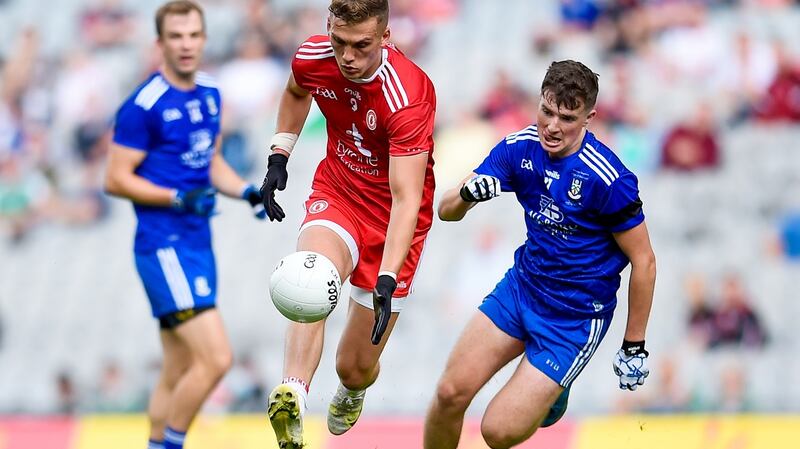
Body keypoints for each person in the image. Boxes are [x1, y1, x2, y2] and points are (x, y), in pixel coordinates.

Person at [423, 60, 657, 449]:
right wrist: (466, 195)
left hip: (574, 319)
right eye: (547, 111)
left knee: (497, 432)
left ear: (589, 118)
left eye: (567, 118)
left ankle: (554, 387)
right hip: (522, 290)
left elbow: (644, 261)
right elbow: (446, 211)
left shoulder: (608, 179)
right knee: (449, 393)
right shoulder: (519, 148)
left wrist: (634, 345)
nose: (552, 126)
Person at [258, 0, 436, 447]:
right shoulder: (314, 56)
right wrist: (280, 154)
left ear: (386, 37)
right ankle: (293, 395)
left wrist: (389, 274)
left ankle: (353, 390)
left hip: (393, 219)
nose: (347, 56)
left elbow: (406, 198)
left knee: (353, 366)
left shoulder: (408, 94)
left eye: (361, 45)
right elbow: (296, 91)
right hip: (338, 192)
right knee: (309, 278)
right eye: (339, 42)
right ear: (328, 28)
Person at [103, 2, 267, 449]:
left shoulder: (210, 93)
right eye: (176, 36)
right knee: (217, 359)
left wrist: (247, 192)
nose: (186, 44)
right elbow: (115, 179)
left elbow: (210, 162)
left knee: (177, 369)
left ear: (205, 39)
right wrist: (176, 197)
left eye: (194, 35)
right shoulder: (143, 106)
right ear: (160, 43)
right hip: (163, 245)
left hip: (197, 243)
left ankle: (156, 443)